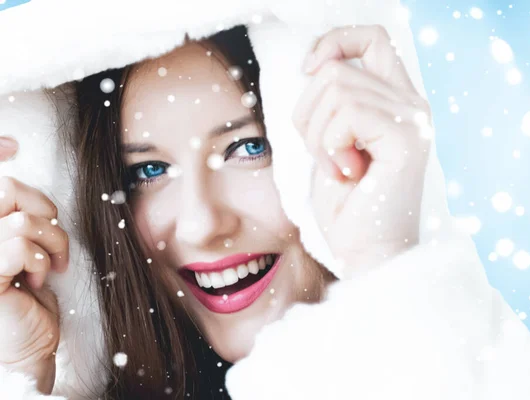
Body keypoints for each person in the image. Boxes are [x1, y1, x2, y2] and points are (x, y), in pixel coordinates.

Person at [0, 24, 430, 398]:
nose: (201, 224)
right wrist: (20, 371)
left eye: (248, 147)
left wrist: (386, 264)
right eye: (149, 170)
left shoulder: (466, 359)